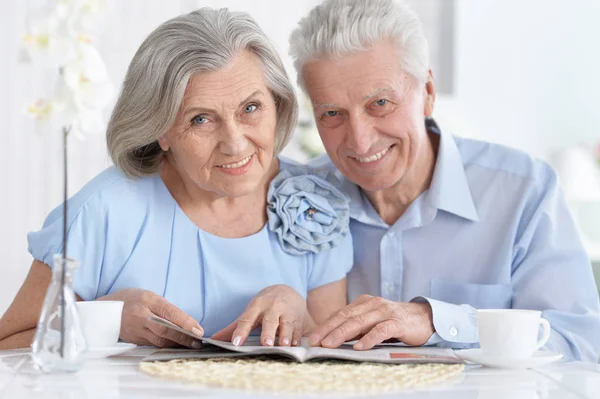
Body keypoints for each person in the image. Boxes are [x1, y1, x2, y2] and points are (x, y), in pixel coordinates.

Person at [0, 7, 353, 350]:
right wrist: (107, 319)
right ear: (160, 131)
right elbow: (8, 345)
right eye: (201, 119)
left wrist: (298, 310)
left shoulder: (314, 205)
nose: (234, 143)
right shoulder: (100, 213)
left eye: (250, 108)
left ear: (277, 103)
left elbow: (335, 361)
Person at [289, 0, 600, 361]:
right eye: (332, 113)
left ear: (428, 94)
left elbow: (581, 344)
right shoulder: (295, 196)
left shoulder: (524, 191)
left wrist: (438, 322)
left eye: (380, 103)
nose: (359, 140)